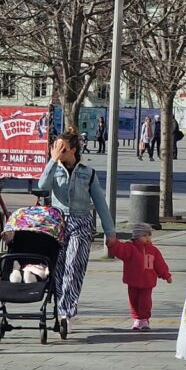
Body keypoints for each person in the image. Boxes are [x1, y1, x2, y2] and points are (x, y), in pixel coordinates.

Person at [37, 127, 117, 333]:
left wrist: (110, 233)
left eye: (62, 148)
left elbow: (100, 202)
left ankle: (66, 312)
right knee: (59, 269)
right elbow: (43, 187)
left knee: (74, 267)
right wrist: (52, 161)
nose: (58, 152)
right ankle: (60, 308)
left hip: (81, 222)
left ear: (73, 150)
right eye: (56, 148)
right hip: (58, 223)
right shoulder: (53, 168)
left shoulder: (87, 173)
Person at [106, 222, 173, 331]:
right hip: (133, 281)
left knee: (145, 302)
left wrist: (166, 275)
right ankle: (137, 319)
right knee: (134, 301)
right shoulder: (130, 248)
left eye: (149, 235)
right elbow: (120, 250)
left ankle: (144, 319)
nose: (147, 238)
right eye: (144, 235)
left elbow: (160, 264)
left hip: (148, 282)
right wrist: (113, 244)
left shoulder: (154, 251)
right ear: (137, 236)